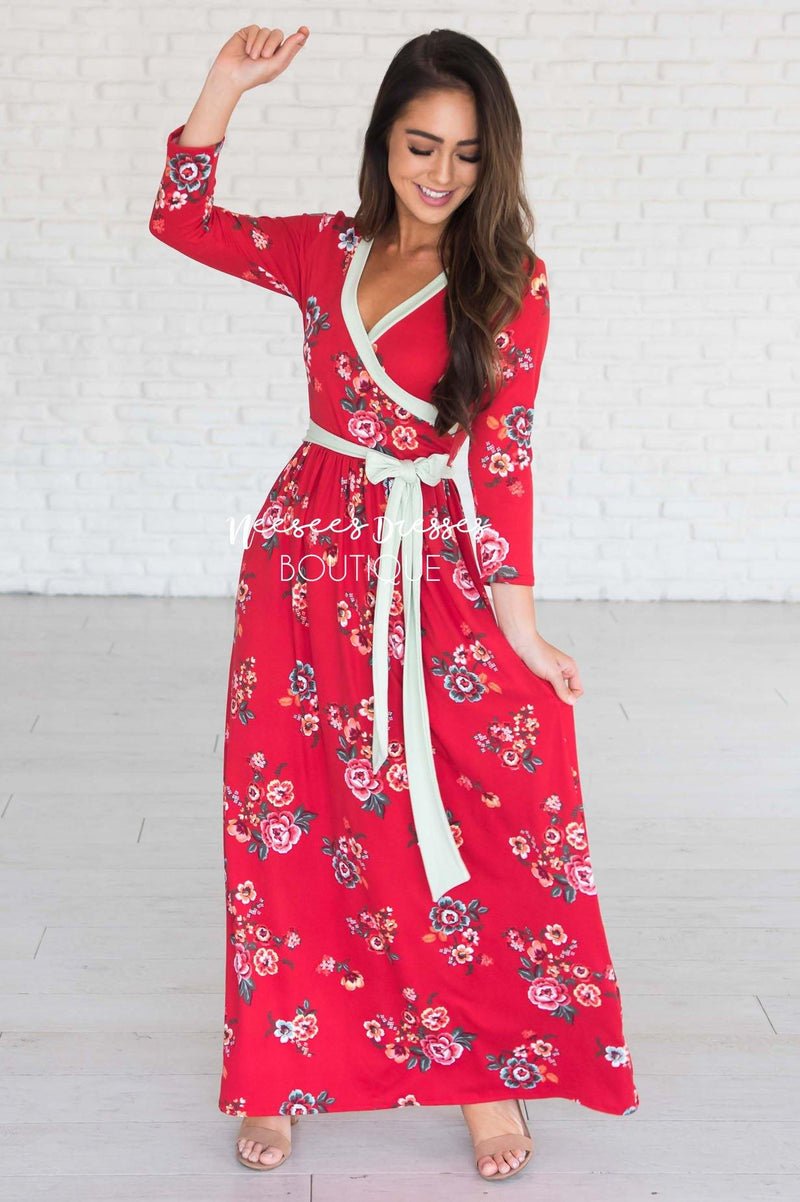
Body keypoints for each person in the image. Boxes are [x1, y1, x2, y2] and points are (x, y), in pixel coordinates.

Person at [148, 22, 640, 1183]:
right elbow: (181, 219)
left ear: (491, 158)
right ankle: (278, 1066)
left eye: (466, 153)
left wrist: (522, 630)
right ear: (383, 141)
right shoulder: (324, 247)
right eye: (421, 145)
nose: (440, 173)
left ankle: (479, 1071)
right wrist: (223, 87)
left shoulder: (510, 281)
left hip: (431, 564)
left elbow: (504, 457)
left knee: (462, 812)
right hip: (303, 563)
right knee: (291, 810)